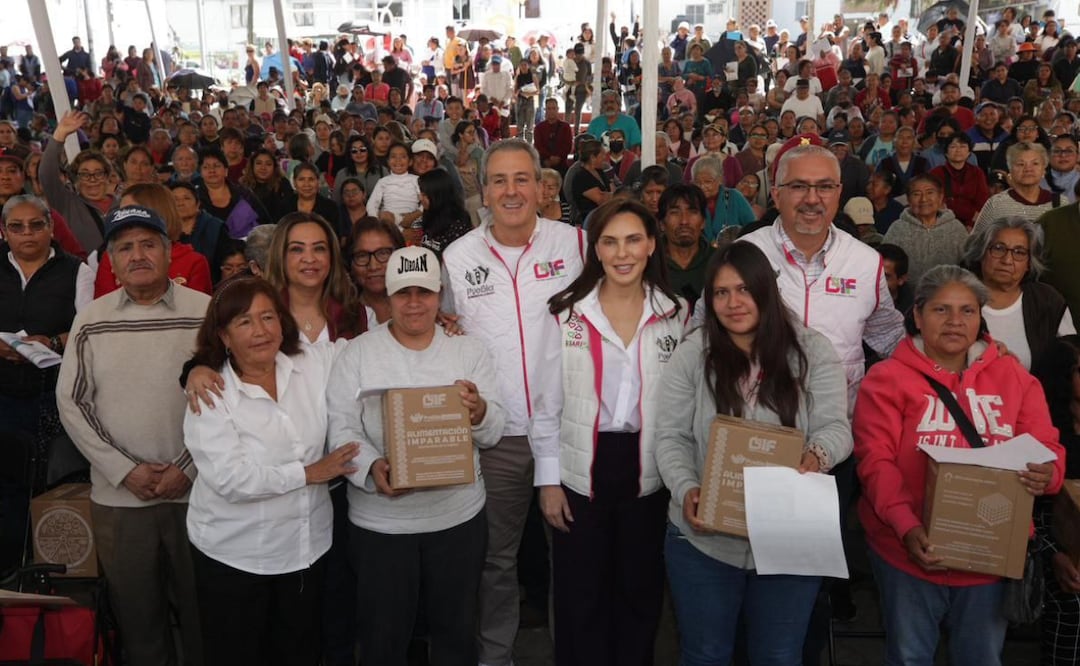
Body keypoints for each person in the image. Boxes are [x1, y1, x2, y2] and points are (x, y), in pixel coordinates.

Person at [853, 264, 1065, 666]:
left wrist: (1048, 473)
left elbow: (1046, 447)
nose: (955, 322)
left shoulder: (1014, 377)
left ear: (981, 317)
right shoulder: (887, 380)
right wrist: (906, 527)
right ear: (916, 315)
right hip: (908, 551)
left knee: (981, 657)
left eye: (968, 311)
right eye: (941, 310)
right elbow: (875, 462)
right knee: (909, 656)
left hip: (988, 555)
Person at [655, 241, 852, 665]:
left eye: (744, 289)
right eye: (721, 293)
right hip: (705, 542)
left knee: (778, 656)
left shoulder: (811, 349)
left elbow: (837, 428)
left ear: (765, 289)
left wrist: (816, 456)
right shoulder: (694, 354)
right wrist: (686, 488)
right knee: (705, 655)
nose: (733, 302)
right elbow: (670, 436)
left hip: (789, 537)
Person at [440, 140, 585, 666]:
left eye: (522, 178)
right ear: (482, 189)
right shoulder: (457, 259)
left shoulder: (575, 245)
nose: (511, 191)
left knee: (570, 557)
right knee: (495, 562)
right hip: (493, 435)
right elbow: (442, 332)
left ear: (542, 186)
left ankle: (570, 653)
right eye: (498, 180)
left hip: (569, 429)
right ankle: (494, 658)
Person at [326, 245, 505, 665]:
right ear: (386, 297)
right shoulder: (358, 354)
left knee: (455, 634)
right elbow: (341, 426)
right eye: (402, 292)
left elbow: (494, 429)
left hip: (456, 519)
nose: (413, 303)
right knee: (383, 639)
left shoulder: (468, 351)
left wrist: (479, 411)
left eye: (423, 292)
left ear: (439, 295)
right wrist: (371, 467)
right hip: (380, 527)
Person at [56, 205, 207, 666]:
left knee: (207, 619)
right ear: (110, 262)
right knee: (140, 628)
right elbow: (73, 403)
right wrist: (127, 471)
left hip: (200, 496)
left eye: (148, 244)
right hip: (122, 502)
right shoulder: (92, 320)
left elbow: (232, 401)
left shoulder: (208, 312)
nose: (137, 255)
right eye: (124, 247)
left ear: (168, 252)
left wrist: (187, 468)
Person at [183, 277, 359, 666]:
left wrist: (433, 324)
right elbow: (232, 479)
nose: (260, 331)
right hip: (235, 557)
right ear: (224, 336)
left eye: (268, 317)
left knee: (300, 652)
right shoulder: (211, 392)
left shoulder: (310, 364)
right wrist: (309, 473)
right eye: (244, 322)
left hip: (305, 550)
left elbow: (364, 350)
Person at [542, 197, 687, 665]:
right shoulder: (564, 313)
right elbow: (546, 405)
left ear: (650, 245)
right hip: (581, 469)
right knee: (580, 597)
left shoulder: (678, 314)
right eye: (609, 242)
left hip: (649, 471)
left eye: (632, 240)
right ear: (595, 250)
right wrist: (547, 481)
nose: (622, 253)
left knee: (640, 595)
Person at [0, 194, 92, 457]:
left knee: (48, 477)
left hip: (53, 393)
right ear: (4, 232)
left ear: (51, 227)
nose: (27, 233)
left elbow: (88, 331)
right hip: (2, 393)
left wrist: (52, 343)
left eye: (36, 225)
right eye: (16, 227)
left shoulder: (77, 271)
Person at [961, 217, 1075, 370]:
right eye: (999, 248)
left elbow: (1071, 362)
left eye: (1019, 252)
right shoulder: (956, 296)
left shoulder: (1046, 301)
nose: (1007, 260)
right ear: (982, 252)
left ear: (1029, 263)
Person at [94, 183, 213, 297]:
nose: (123, 218)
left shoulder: (194, 262)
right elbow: (103, 309)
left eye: (131, 211)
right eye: (122, 211)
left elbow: (199, 312)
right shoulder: (110, 258)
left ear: (158, 212)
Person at [881, 174, 968, 286]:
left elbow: (968, 266)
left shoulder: (956, 228)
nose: (924, 199)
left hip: (947, 296)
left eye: (930, 193)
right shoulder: (897, 229)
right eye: (916, 194)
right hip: (905, 299)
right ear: (908, 199)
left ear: (941, 197)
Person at [975, 142, 1059, 230]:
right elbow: (976, 241)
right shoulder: (995, 204)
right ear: (1010, 170)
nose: (1028, 169)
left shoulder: (1060, 203)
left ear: (1044, 170)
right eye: (1021, 164)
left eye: (1035, 163)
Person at [198, 149, 271, 239]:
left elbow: (266, 222)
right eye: (206, 167)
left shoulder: (244, 194)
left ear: (226, 171)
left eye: (217, 166)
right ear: (200, 173)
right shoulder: (194, 198)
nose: (212, 170)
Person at [417, 168, 472, 257]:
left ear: (438, 196)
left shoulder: (459, 223)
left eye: (425, 195)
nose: (420, 198)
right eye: (421, 193)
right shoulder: (429, 213)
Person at [285, 162, 341, 237]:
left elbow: (335, 237)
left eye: (311, 179)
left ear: (318, 182)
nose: (306, 184)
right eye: (301, 179)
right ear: (294, 182)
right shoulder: (284, 206)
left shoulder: (330, 207)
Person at [242, 148, 295, 225]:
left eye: (268, 164)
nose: (263, 168)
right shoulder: (243, 185)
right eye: (259, 163)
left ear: (274, 167)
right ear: (252, 166)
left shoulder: (283, 184)